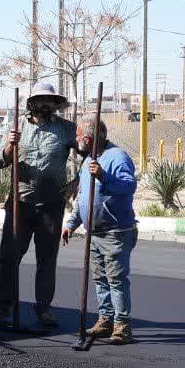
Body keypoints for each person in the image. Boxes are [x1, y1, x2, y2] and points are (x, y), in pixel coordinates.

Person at [0, 82, 77, 329]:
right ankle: (2, 306)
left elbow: (90, 153)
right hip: (20, 202)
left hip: (51, 204)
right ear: (31, 103)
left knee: (46, 259)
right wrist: (9, 146)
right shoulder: (15, 127)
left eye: (50, 101)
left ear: (55, 104)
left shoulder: (67, 129)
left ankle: (44, 308)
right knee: (9, 256)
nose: (45, 104)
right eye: (40, 100)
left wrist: (76, 183)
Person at [63, 117, 139, 344]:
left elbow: (129, 186)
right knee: (100, 279)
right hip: (94, 233)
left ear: (87, 138)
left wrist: (104, 176)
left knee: (116, 279)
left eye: (78, 137)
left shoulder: (118, 157)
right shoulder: (89, 161)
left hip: (115, 232)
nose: (76, 141)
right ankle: (105, 319)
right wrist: (71, 223)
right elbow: (83, 199)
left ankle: (122, 325)